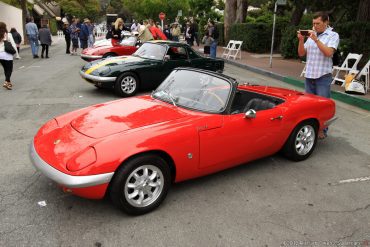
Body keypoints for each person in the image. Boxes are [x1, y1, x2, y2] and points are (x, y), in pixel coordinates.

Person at [297, 11, 339, 139]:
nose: (315, 26)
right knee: (309, 106)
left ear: (326, 22)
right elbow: (301, 53)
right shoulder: (311, 35)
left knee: (322, 106)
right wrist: (301, 40)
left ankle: (322, 130)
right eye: (313, 23)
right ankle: (312, 129)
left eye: (318, 23)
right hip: (309, 75)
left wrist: (316, 40)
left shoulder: (333, 35)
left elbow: (328, 53)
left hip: (323, 76)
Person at [0, 22, 17, 90]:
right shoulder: (8, 34)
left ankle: (9, 84)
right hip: (7, 54)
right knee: (9, 69)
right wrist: (16, 54)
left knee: (5, 69)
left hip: (0, 55)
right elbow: (13, 44)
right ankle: (6, 81)